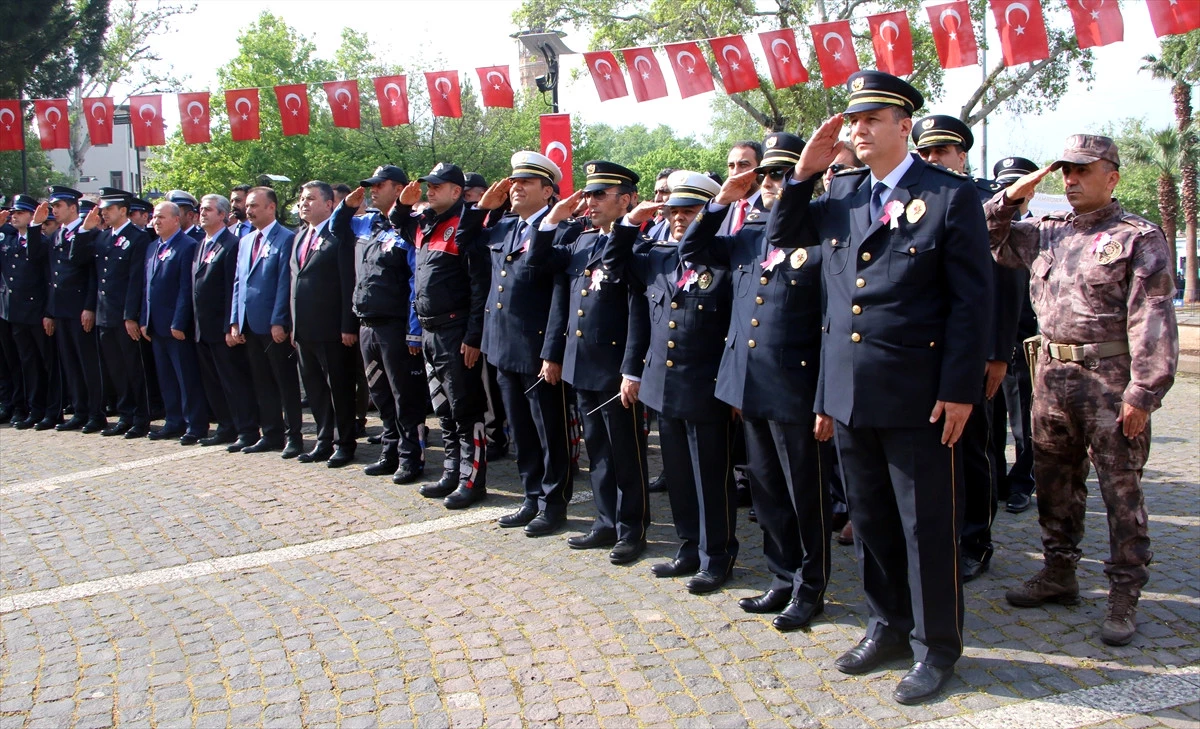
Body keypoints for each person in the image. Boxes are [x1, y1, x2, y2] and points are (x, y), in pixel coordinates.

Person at [768, 70, 993, 704]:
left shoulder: (948, 195)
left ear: (904, 126)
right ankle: (886, 625)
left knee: (926, 523)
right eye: (853, 120)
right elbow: (783, 236)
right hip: (847, 389)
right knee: (869, 520)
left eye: (873, 119)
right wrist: (804, 174)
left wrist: (959, 388)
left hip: (919, 391)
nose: (860, 129)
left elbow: (971, 304)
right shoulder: (840, 195)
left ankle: (935, 646)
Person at [988, 135, 1179, 647]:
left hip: (1110, 382)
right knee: (1054, 481)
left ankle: (1123, 592)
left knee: (1121, 489)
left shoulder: (1138, 237)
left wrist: (1143, 393)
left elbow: (1153, 318)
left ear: (1111, 177)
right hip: (1050, 376)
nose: (1070, 180)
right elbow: (985, 235)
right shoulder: (1046, 234)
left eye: (1082, 171)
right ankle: (1059, 572)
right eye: (1065, 171)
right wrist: (1011, 196)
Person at [685, 133, 835, 617]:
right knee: (767, 493)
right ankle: (781, 576)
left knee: (804, 496)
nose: (772, 182)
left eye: (782, 173)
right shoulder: (748, 233)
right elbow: (692, 249)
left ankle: (810, 588)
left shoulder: (818, 234)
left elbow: (833, 323)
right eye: (766, 174)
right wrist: (722, 199)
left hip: (796, 389)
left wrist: (825, 397)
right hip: (748, 386)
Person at [604, 169, 743, 586]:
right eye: (675, 211)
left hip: (706, 386)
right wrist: (630, 223)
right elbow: (615, 266)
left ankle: (716, 555)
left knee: (711, 478)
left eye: (690, 211)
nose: (680, 218)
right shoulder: (660, 257)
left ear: (709, 212)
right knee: (680, 475)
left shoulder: (725, 258)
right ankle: (688, 546)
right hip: (664, 387)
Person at [912, 114, 1024, 582]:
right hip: (917, 353)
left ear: (963, 153)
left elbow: (1004, 282)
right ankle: (933, 534)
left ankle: (975, 539)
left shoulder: (982, 202)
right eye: (927, 152)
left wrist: (998, 352)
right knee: (928, 449)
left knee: (973, 447)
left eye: (943, 150)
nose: (935, 159)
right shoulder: (907, 200)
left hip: (970, 351)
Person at [534, 161, 650, 547]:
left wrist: (632, 368)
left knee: (626, 453)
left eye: (601, 194)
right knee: (597, 449)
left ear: (627, 199)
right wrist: (553, 218)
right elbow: (541, 264)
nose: (591, 200)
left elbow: (638, 312)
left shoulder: (638, 244)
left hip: (615, 367)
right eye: (588, 193)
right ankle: (605, 522)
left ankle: (632, 529)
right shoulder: (582, 241)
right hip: (582, 362)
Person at [472, 152, 578, 536]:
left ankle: (553, 504)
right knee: (520, 430)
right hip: (502, 346)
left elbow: (560, 297)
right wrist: (484, 207)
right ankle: (531, 496)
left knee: (549, 432)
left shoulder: (562, 231)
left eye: (525, 183)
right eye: (513, 182)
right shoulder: (503, 227)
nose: (514, 188)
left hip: (536, 352)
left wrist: (552, 351)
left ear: (548, 191)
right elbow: (467, 242)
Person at [390, 163, 491, 509]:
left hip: (455, 329)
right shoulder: (425, 224)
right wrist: (402, 205)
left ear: (456, 192)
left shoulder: (465, 226)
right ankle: (452, 471)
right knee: (444, 409)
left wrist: (474, 336)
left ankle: (473, 479)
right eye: (428, 186)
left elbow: (480, 286)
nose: (429, 191)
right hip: (431, 329)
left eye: (437, 186)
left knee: (466, 409)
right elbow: (399, 223)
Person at [335, 166, 428, 484]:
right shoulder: (366, 224)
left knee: (405, 397)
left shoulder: (409, 227)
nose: (372, 190)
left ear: (400, 188)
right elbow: (336, 228)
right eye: (370, 185)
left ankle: (410, 457)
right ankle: (389, 452)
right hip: (367, 324)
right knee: (380, 394)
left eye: (379, 185)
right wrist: (347, 204)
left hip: (395, 325)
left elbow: (417, 280)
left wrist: (414, 329)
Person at [72, 190, 153, 438]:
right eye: (102, 209)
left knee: (134, 368)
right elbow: (80, 261)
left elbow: (135, 279)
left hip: (124, 315)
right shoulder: (102, 238)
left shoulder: (138, 238)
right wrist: (85, 231)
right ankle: (125, 414)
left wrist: (130, 315)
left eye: (108, 209)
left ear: (123, 210)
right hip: (105, 314)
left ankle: (141, 417)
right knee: (116, 369)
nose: (103, 213)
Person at [230, 186, 303, 458]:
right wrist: (235, 320)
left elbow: (285, 283)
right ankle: (270, 434)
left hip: (273, 325)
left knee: (285, 383)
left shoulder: (286, 238)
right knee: (262, 383)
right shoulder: (246, 240)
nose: (248, 210)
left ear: (271, 207)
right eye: (247, 206)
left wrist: (279, 321)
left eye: (254, 206)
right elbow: (240, 282)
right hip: (250, 323)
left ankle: (293, 436)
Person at [290, 180, 358, 468]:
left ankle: (345, 442)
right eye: (302, 199)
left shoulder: (340, 234)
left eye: (311, 199)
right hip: (304, 329)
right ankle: (323, 440)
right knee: (315, 389)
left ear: (330, 204)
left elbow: (347, 282)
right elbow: (294, 282)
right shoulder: (299, 236)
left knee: (339, 388)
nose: (304, 203)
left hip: (332, 329)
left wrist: (347, 325)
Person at [990, 156, 1041, 515]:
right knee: (991, 423)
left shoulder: (1041, 231)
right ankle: (994, 482)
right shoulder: (991, 230)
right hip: (993, 342)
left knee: (1024, 421)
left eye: (1020, 185)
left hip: (1025, 343)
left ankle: (1023, 483)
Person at [193, 194, 259, 451]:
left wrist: (231, 325)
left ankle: (246, 429)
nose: (203, 213)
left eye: (208, 210)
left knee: (235, 382)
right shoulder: (201, 244)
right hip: (202, 328)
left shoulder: (232, 245)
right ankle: (225, 426)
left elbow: (233, 288)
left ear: (222, 215)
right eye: (201, 209)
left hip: (223, 329)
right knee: (214, 383)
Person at [141, 202, 207, 443]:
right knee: (166, 377)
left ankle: (194, 424)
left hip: (176, 326)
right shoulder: (152, 248)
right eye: (154, 217)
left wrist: (179, 321)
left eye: (161, 217)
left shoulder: (187, 246)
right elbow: (147, 287)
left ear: (176, 220)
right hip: (156, 325)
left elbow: (185, 288)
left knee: (186, 377)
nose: (155, 221)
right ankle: (173, 421)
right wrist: (143, 319)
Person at [46, 186, 105, 433]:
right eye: (53, 207)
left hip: (80, 308)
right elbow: (52, 276)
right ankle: (80, 411)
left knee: (87, 363)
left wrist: (89, 307)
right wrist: (50, 311)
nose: (54, 211)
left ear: (73, 207)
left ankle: (96, 413)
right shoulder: (57, 234)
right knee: (70, 363)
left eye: (59, 206)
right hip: (62, 309)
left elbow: (92, 274)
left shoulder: (87, 233)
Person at [0, 197, 59, 430]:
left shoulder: (41, 241)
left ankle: (51, 410)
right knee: (26, 364)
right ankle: (32, 408)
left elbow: (41, 267)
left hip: (37, 312)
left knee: (47, 364)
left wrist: (48, 312)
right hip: (15, 314)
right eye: (13, 213)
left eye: (20, 213)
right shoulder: (9, 242)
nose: (14, 216)